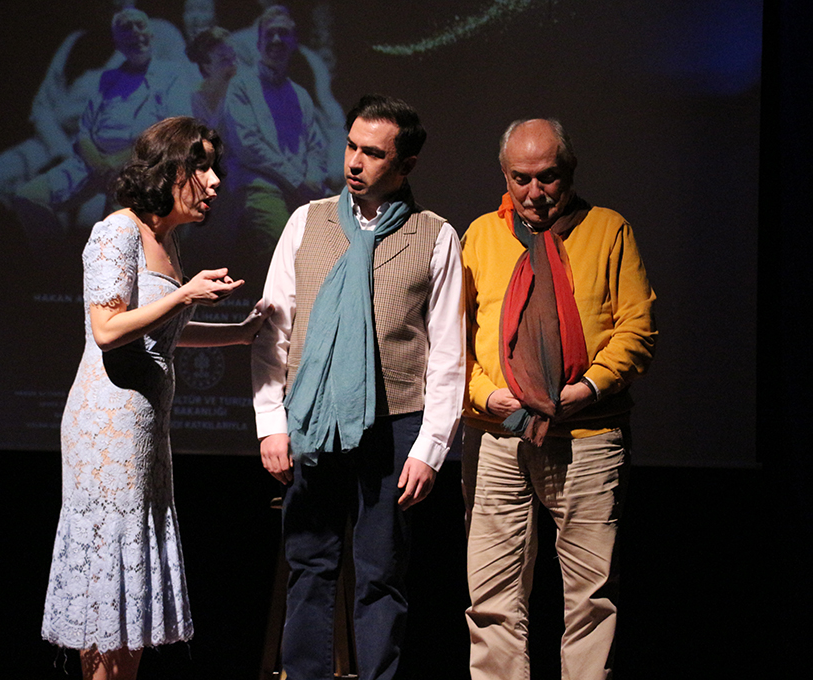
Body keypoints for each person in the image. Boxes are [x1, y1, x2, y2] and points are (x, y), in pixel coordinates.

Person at [42, 117, 271, 680]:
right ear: (171, 170)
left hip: (144, 429)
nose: (215, 182)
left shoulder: (166, 241)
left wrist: (238, 333)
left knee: (130, 581)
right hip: (107, 426)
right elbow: (107, 329)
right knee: (107, 574)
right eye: (203, 168)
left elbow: (160, 332)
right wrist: (186, 295)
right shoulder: (117, 231)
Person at [252, 94, 465, 680]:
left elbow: (448, 354)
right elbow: (274, 330)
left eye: (373, 153)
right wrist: (271, 423)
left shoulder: (435, 235)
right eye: (351, 145)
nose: (354, 161)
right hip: (313, 419)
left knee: (380, 573)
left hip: (396, 425)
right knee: (310, 565)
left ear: (406, 164)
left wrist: (430, 448)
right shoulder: (307, 221)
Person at [460, 118, 657, 680]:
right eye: (520, 178)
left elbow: (637, 328)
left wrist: (587, 389)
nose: (534, 192)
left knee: (590, 601)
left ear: (569, 171)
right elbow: (453, 340)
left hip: (589, 436)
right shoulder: (481, 235)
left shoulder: (608, 230)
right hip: (499, 437)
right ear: (504, 175)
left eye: (547, 177)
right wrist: (488, 396)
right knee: (491, 599)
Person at [13, 8, 194, 264]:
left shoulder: (171, 74)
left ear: (151, 34)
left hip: (139, 167)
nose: (136, 34)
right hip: (92, 163)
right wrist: (98, 162)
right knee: (28, 198)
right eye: (127, 29)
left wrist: (118, 162)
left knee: (111, 238)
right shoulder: (107, 79)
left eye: (140, 26)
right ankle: (55, 266)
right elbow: (85, 130)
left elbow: (170, 133)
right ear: (118, 43)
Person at [220, 5, 328, 265]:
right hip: (259, 188)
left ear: (294, 43)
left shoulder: (300, 94)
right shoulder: (241, 87)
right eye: (270, 34)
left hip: (301, 191)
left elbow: (316, 146)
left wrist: (313, 179)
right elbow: (249, 147)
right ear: (258, 43)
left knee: (331, 249)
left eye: (283, 34)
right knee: (287, 255)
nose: (276, 40)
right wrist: (298, 181)